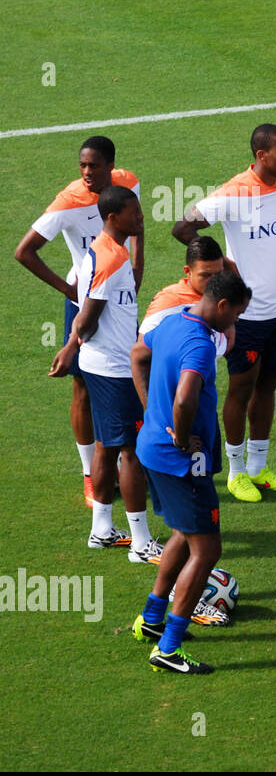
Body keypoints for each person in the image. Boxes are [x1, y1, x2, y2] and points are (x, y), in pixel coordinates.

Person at [173, 124, 276, 502]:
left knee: (269, 386)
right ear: (261, 156)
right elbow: (182, 227)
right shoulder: (234, 192)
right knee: (241, 388)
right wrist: (224, 263)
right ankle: (235, 473)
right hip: (245, 315)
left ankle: (258, 467)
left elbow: (274, 241)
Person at [128, 270, 252, 673]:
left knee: (182, 534)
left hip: (152, 448)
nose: (234, 323)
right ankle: (169, 647)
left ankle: (151, 620)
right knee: (207, 550)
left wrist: (151, 411)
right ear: (221, 305)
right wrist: (181, 437)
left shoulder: (171, 319)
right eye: (234, 316)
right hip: (181, 460)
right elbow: (184, 400)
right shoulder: (199, 344)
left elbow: (137, 356)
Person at [16, 136, 139, 506]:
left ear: (111, 167)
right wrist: (69, 291)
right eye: (82, 166)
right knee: (84, 389)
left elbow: (139, 225)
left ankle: (122, 465)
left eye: (94, 166)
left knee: (126, 377)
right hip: (87, 306)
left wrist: (139, 268)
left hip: (121, 299)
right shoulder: (68, 202)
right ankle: (91, 473)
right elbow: (25, 251)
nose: (87, 173)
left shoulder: (129, 184)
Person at [49, 185, 158, 562]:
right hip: (113, 369)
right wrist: (70, 346)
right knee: (130, 452)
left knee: (107, 446)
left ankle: (101, 530)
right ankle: (141, 542)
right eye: (135, 213)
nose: (141, 217)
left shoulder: (110, 250)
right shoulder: (109, 258)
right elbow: (88, 317)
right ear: (113, 217)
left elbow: (112, 301)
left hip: (106, 365)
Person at [139, 236, 228, 343]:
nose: (214, 282)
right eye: (206, 275)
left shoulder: (221, 295)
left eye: (218, 274)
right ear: (188, 271)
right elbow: (141, 348)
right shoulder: (169, 301)